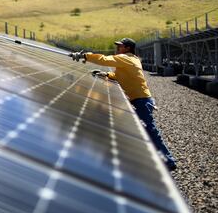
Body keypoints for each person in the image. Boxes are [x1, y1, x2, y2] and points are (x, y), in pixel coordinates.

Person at [69, 38, 177, 171]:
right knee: (142, 130)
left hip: (141, 101)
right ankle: (152, 159)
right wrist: (107, 74)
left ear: (127, 48)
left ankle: (168, 160)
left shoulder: (126, 58)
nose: (117, 49)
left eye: (120, 46)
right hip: (141, 99)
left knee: (149, 131)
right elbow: (121, 76)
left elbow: (104, 59)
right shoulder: (131, 59)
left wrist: (84, 55)